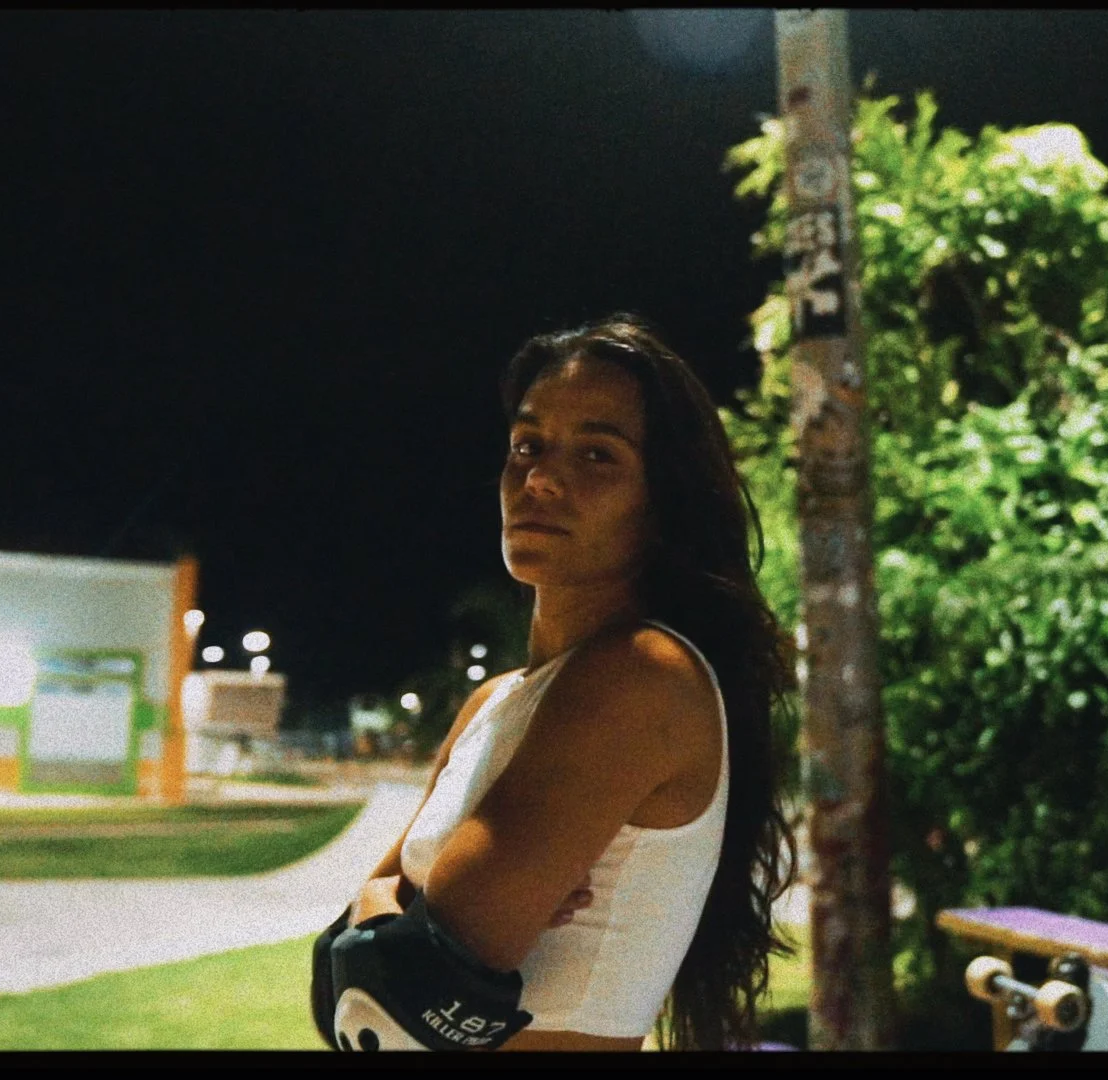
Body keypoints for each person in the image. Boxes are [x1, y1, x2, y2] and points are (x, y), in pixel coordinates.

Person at [312, 314, 800, 1052]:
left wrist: (380, 909)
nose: (539, 477)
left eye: (597, 455)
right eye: (526, 445)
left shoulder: (643, 677)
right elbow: (340, 984)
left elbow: (395, 1003)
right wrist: (389, 922)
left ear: (664, 501)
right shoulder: (498, 699)